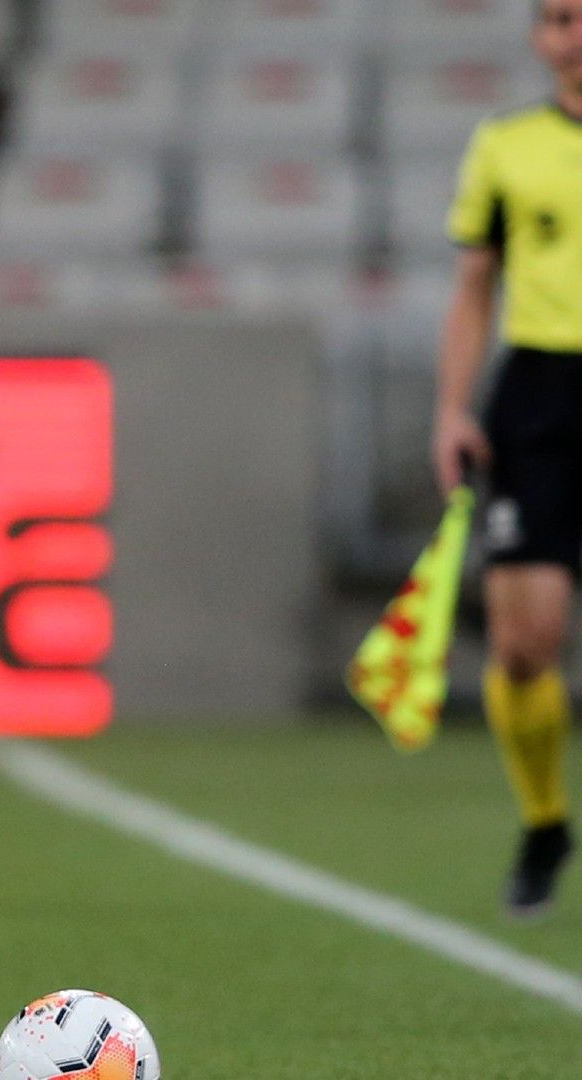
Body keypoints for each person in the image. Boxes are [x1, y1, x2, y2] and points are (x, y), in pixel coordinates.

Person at [431, 0, 582, 918]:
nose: (577, 36)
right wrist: (453, 407)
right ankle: (544, 821)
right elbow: (473, 285)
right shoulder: (506, 145)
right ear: (540, 38)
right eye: (562, 20)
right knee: (525, 646)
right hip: (540, 399)